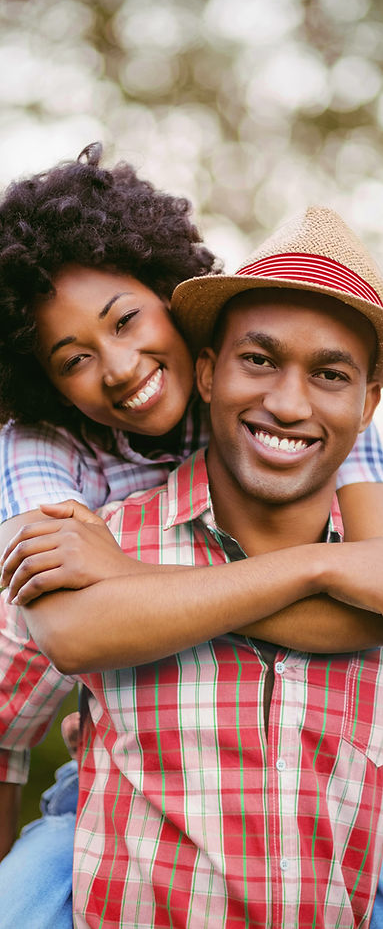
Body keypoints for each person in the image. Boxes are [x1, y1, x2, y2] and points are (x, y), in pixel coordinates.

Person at [1, 148, 383, 928]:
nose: (117, 366)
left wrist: (140, 581)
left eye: (126, 320)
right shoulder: (50, 463)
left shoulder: (346, 454)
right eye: (73, 358)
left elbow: (373, 592)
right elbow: (71, 630)